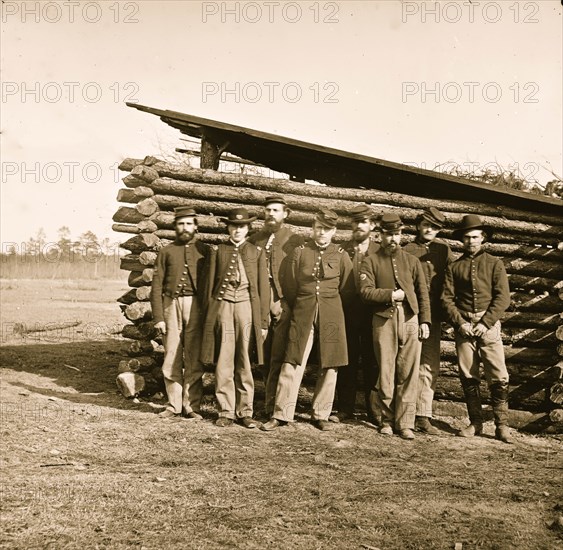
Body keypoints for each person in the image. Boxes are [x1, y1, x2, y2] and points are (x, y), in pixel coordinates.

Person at [261, 209, 354, 431]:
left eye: (327, 229)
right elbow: (290, 286)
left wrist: (330, 306)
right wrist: (302, 304)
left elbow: (347, 290)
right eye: (318, 228)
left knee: (330, 364)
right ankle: (282, 413)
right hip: (302, 312)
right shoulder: (300, 253)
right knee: (292, 360)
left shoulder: (341, 255)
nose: (322, 233)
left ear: (334, 232)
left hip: (332, 314)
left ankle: (321, 414)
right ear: (312, 229)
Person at [441, 214, 512, 443]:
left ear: (483, 238)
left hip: (488, 325)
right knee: (468, 375)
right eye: (466, 238)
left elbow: (503, 298)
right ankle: (476, 423)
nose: (471, 241)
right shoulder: (455, 266)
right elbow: (446, 298)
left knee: (498, 375)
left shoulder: (494, 263)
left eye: (475, 237)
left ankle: (502, 426)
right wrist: (460, 322)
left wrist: (485, 323)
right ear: (462, 240)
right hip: (464, 326)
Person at [359, 213, 431, 440]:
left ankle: (406, 422)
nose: (392, 239)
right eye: (388, 235)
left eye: (396, 235)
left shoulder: (412, 261)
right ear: (380, 236)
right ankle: (387, 421)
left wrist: (425, 321)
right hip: (383, 320)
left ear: (401, 235)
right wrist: (391, 294)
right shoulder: (370, 261)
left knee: (409, 372)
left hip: (410, 320)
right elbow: (365, 291)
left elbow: (422, 293)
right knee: (386, 371)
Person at [201, 208, 269, 428]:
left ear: (248, 229)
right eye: (233, 226)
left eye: (241, 226)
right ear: (228, 228)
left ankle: (245, 411)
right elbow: (209, 287)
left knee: (244, 360)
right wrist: (209, 316)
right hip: (224, 307)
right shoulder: (218, 251)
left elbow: (263, 289)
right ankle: (226, 411)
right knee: (225, 359)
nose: (237, 230)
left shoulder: (256, 252)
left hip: (247, 308)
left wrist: (263, 321)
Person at [248, 196, 304, 418]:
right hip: (258, 303)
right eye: (268, 210)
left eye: (276, 210)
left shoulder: (294, 240)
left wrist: (286, 300)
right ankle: (264, 402)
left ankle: (274, 407)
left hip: (283, 303)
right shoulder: (255, 240)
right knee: (261, 353)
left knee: (278, 356)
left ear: (285, 214)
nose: (271, 214)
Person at [150, 206, 209, 419]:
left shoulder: (205, 250)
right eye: (181, 224)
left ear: (195, 227)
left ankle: (192, 406)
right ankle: (173, 405)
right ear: (175, 226)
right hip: (170, 305)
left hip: (196, 307)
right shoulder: (166, 252)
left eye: (189, 224)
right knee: (172, 354)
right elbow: (156, 286)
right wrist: (159, 317)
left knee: (194, 356)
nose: (185, 228)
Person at [403, 207, 453, 435]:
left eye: (435, 227)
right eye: (426, 225)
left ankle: (423, 415)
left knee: (429, 364)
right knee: (407, 363)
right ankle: (404, 414)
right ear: (418, 225)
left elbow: (452, 280)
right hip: (410, 313)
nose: (430, 230)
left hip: (433, 315)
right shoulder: (407, 250)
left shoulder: (444, 250)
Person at [337, 204, 380, 422]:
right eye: (355, 222)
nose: (358, 226)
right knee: (348, 361)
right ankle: (345, 408)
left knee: (373, 362)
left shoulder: (379, 252)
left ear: (372, 225)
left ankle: (374, 411)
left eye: (363, 222)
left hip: (373, 316)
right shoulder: (342, 249)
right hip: (347, 314)